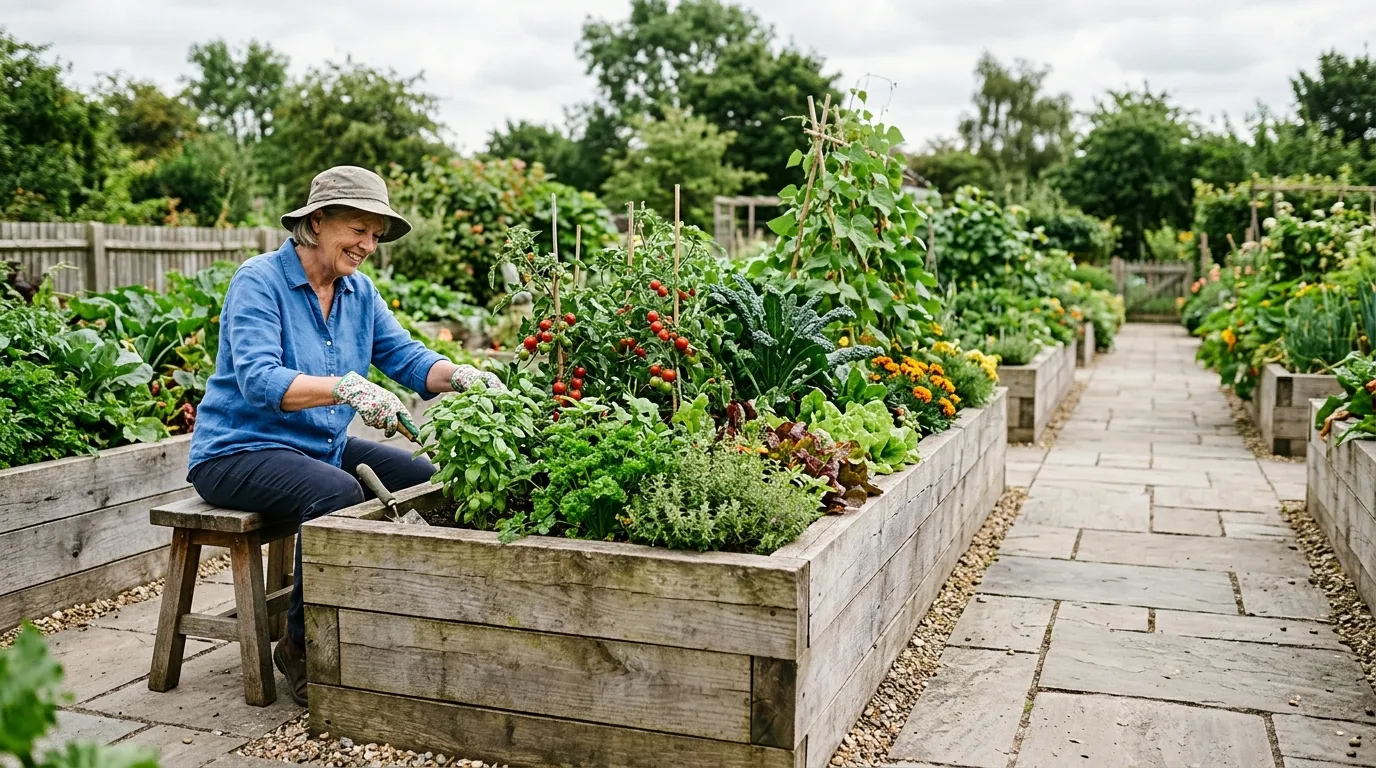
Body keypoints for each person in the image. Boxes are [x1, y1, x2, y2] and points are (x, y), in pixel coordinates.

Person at [187, 165, 503, 706]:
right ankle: (302, 643)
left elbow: (406, 359)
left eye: (375, 235)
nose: (368, 245)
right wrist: (346, 388)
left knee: (430, 478)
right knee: (336, 493)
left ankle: (390, 618)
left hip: (318, 447)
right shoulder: (260, 280)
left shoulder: (358, 293)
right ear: (316, 221)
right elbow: (260, 380)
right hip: (239, 450)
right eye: (358, 229)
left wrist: (464, 376)